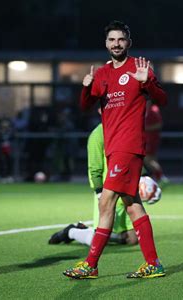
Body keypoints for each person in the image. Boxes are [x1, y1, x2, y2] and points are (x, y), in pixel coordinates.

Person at [63, 20, 167, 279]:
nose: (116, 44)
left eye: (121, 39)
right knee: (132, 206)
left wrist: (148, 84)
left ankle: (90, 264)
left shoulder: (139, 67)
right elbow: (85, 106)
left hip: (128, 146)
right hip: (113, 146)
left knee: (106, 202)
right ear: (106, 43)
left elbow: (163, 99)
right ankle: (153, 263)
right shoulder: (102, 74)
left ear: (128, 42)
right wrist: (86, 87)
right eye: (112, 40)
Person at [49, 122, 139, 246]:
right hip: (109, 191)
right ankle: (72, 232)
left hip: (126, 191)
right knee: (99, 239)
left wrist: (145, 179)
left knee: (133, 239)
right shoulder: (98, 135)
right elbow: (94, 168)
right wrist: (99, 193)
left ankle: (88, 231)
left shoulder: (127, 130)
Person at [144, 100, 169, 186]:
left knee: (147, 158)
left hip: (151, 139)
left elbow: (159, 125)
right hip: (148, 139)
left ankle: (161, 177)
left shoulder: (153, 111)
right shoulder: (146, 111)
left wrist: (146, 128)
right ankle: (158, 178)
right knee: (152, 159)